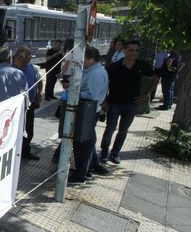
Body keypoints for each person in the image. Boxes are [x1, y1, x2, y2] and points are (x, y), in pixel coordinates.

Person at [99, 41, 158, 164]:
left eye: (137, 50)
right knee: (110, 129)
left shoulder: (143, 66)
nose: (134, 53)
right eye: (131, 50)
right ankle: (104, 153)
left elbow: (155, 79)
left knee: (123, 130)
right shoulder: (114, 66)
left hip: (132, 104)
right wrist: (104, 101)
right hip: (114, 102)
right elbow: (104, 85)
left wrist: (146, 95)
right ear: (125, 51)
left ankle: (115, 153)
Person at [68, 47, 109, 184]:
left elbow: (91, 96)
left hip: (88, 112)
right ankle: (87, 168)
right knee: (87, 142)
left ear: (91, 59)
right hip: (88, 112)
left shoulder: (96, 74)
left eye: (83, 59)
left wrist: (74, 91)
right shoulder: (92, 71)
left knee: (82, 144)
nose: (80, 62)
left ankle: (81, 175)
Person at [14, 46, 42, 160]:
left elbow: (38, 81)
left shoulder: (31, 67)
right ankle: (15, 153)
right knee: (16, 131)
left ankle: (26, 151)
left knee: (29, 130)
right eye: (29, 56)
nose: (31, 58)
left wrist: (39, 94)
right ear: (20, 57)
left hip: (30, 105)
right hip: (17, 107)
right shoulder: (12, 68)